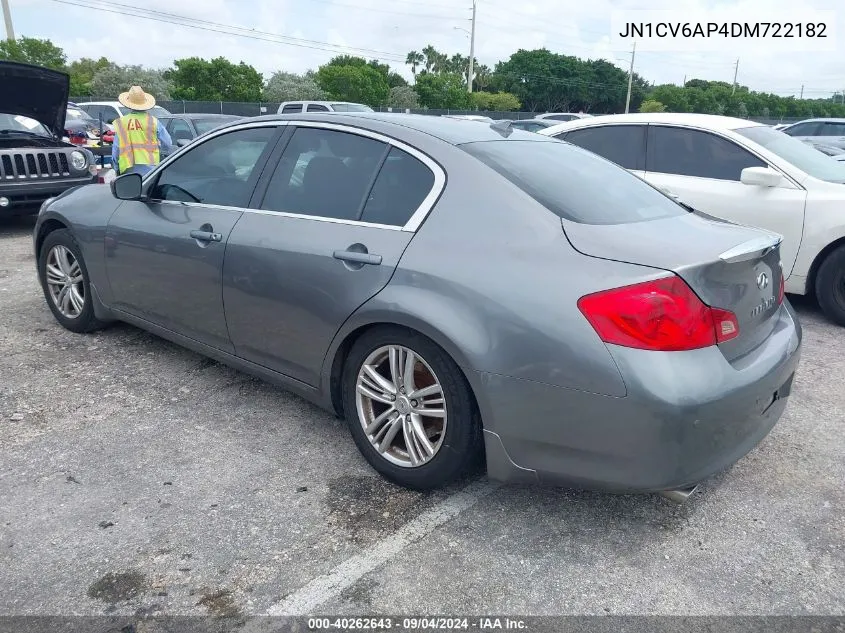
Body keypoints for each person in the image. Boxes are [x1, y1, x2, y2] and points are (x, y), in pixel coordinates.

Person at [111, 85, 172, 176]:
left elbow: (116, 149)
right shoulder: (153, 122)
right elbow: (168, 144)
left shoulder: (121, 123)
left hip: (127, 170)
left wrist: (116, 167)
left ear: (129, 104)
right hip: (150, 171)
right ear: (145, 104)